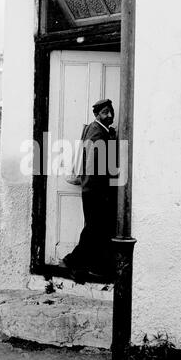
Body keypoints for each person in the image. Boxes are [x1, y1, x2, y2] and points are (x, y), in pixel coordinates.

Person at [61, 99, 117, 283]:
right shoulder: (96, 133)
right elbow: (95, 166)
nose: (109, 115)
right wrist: (102, 192)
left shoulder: (99, 130)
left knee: (95, 228)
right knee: (93, 228)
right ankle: (72, 262)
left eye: (110, 112)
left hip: (93, 189)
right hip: (95, 190)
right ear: (97, 115)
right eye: (104, 112)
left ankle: (84, 264)